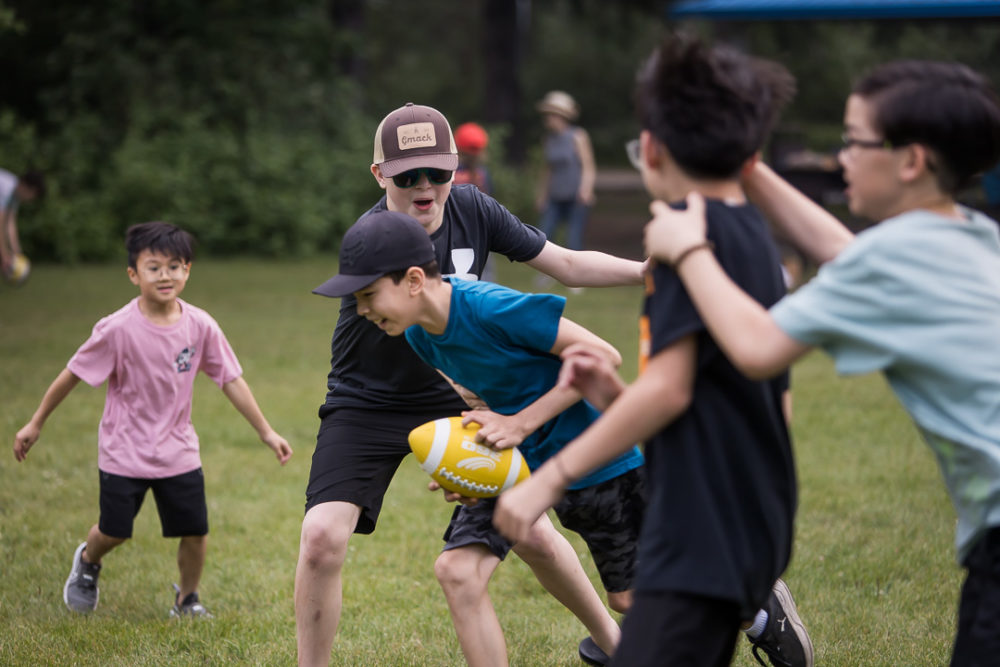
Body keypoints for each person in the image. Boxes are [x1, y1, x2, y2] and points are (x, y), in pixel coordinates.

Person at [639, 59, 1000, 667]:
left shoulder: (890, 257)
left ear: (910, 161)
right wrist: (750, 168)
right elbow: (842, 250)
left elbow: (755, 348)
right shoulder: (971, 235)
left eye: (853, 142)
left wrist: (690, 248)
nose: (841, 159)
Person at [493, 35, 812, 667]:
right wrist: (610, 393)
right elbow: (726, 389)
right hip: (751, 506)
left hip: (702, 519)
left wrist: (545, 482)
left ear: (655, 148)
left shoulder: (680, 243)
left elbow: (669, 389)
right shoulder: (753, 237)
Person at [294, 102, 646, 667]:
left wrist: (642, 270)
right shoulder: (372, 242)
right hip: (367, 399)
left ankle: (617, 644)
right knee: (321, 539)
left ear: (457, 167)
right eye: (407, 175)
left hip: (461, 393)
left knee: (529, 531)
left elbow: (567, 264)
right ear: (379, 174)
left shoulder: (475, 209)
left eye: (438, 171)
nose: (425, 186)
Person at [13, 221, 293, 616]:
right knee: (113, 531)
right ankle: (89, 561)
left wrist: (266, 432)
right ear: (133, 274)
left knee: (195, 531)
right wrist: (36, 422)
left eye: (175, 266)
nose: (166, 276)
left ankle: (187, 600)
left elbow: (230, 379)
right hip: (123, 449)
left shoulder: (200, 326)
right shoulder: (117, 329)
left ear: (188, 270)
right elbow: (72, 373)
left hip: (178, 449)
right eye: (154, 267)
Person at [535, 91, 596, 253]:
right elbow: (547, 170)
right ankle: (546, 272)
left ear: (560, 116)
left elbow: (588, 166)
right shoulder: (548, 140)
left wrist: (586, 190)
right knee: (544, 235)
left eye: (551, 115)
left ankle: (579, 274)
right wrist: (542, 195)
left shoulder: (578, 136)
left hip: (575, 196)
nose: (547, 118)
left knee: (573, 239)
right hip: (555, 195)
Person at [453, 121, 498, 281]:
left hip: (454, 228)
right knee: (486, 270)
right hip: (481, 227)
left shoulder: (448, 173)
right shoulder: (483, 173)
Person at [0, 168, 45, 278]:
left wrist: (17, 252)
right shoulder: (5, 189)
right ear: (27, 188)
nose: (30, 200)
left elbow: (10, 223)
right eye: (32, 196)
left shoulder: (14, 194)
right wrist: (4, 254)